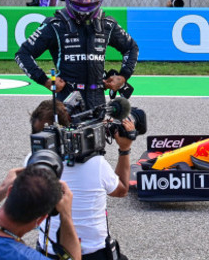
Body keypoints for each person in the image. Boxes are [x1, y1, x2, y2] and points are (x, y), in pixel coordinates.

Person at [15, 0, 139, 110]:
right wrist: (45, 80)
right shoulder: (55, 25)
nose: (84, 2)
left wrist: (123, 77)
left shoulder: (107, 25)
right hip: (66, 103)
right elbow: (23, 54)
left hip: (97, 102)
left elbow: (132, 48)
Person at [30, 100, 134, 260]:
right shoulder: (96, 164)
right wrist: (125, 149)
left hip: (49, 250)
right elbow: (121, 190)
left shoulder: (32, 161)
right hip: (93, 252)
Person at [0, 166, 81, 260]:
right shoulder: (26, 256)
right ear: (40, 219)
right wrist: (66, 215)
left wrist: (1, 188)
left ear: (9, 191)